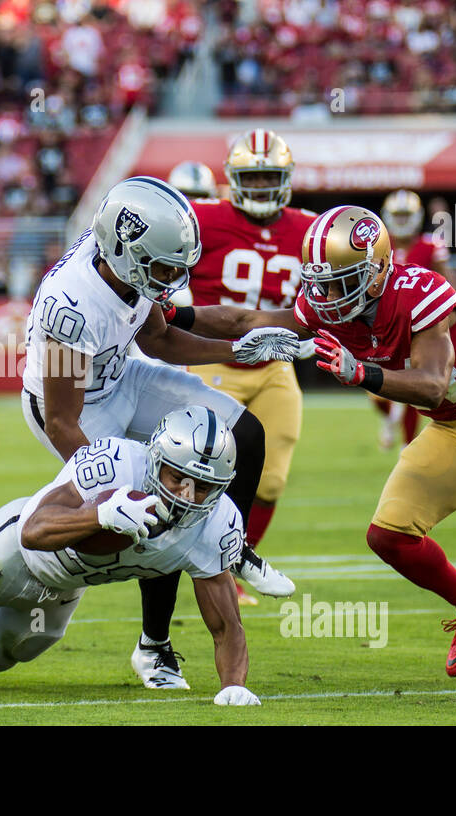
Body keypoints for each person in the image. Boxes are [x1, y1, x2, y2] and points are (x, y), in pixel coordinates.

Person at [232, 204, 456, 692]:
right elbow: (249, 316)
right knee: (388, 536)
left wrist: (358, 371)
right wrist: (176, 315)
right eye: (320, 282)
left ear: (377, 271)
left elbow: (431, 385)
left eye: (341, 281)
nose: (326, 296)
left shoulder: (421, 290)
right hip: (449, 426)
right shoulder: (327, 303)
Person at [20, 175, 299, 690]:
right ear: (126, 251)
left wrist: (239, 349)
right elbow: (62, 420)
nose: (172, 279)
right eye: (164, 267)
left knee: (244, 432)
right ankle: (155, 647)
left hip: (120, 375)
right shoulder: (71, 305)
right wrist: (106, 492)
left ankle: (232, 549)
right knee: (159, 502)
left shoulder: (120, 265)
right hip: (75, 408)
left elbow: (160, 338)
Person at [0, 407, 261, 706]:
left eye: (204, 487)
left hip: (65, 586)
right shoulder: (115, 463)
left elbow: (227, 625)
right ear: (155, 460)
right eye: (177, 477)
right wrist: (99, 515)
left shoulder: (215, 524)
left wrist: (233, 685)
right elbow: (33, 530)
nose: (187, 495)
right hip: (14, 554)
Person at [187, 130, 316, 601]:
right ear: (233, 178)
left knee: (272, 478)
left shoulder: (307, 229)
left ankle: (238, 556)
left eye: (270, 177)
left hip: (274, 367)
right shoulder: (203, 219)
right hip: (211, 361)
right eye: (252, 177)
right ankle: (195, 561)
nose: (261, 186)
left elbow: (332, 295)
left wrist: (315, 335)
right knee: (200, 473)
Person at [374, 189, 452, 449]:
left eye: (407, 215)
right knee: (375, 390)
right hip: (380, 324)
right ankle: (389, 419)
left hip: (417, 325)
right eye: (398, 215)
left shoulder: (430, 245)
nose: (403, 220)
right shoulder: (378, 245)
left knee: (411, 386)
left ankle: (408, 443)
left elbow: (446, 281)